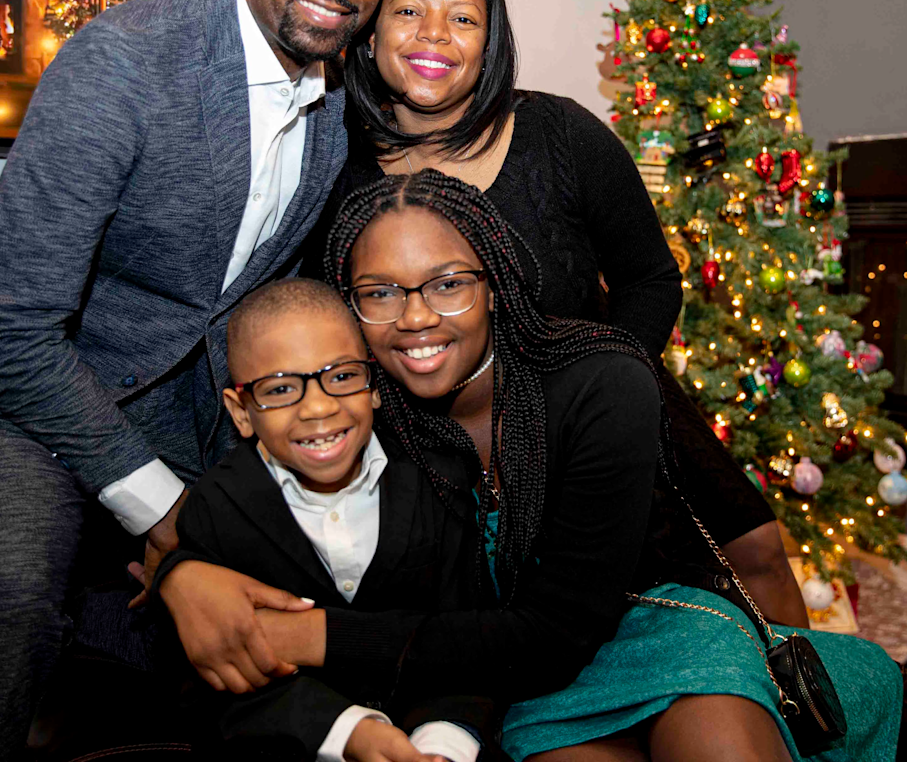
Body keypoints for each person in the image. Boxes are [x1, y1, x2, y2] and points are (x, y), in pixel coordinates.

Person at [0, 0, 409, 762]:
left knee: (253, 603)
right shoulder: (124, 63)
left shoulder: (338, 99)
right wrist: (169, 516)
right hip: (22, 387)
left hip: (178, 402)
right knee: (14, 602)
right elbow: (9, 328)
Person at [259, 170, 898, 762]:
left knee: (719, 740)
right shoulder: (356, 419)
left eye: (448, 284)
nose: (416, 317)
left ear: (494, 284)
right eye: (380, 293)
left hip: (657, 633)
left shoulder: (600, 381)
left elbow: (561, 628)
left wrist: (317, 637)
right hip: (513, 687)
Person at [317, 0, 805, 627]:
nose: (435, 34)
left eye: (463, 18)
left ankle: (800, 693)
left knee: (754, 551)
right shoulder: (334, 165)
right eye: (408, 11)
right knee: (558, 613)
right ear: (369, 36)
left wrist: (602, 397)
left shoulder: (559, 132)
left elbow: (650, 278)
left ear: (489, 44)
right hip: (443, 448)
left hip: (606, 411)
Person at [155, 277, 503, 762]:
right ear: (241, 412)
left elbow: (468, 640)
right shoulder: (217, 507)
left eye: (341, 377)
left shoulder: (439, 480)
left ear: (373, 386)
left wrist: (442, 743)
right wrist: (348, 733)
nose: (318, 407)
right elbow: (215, 677)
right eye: (280, 389)